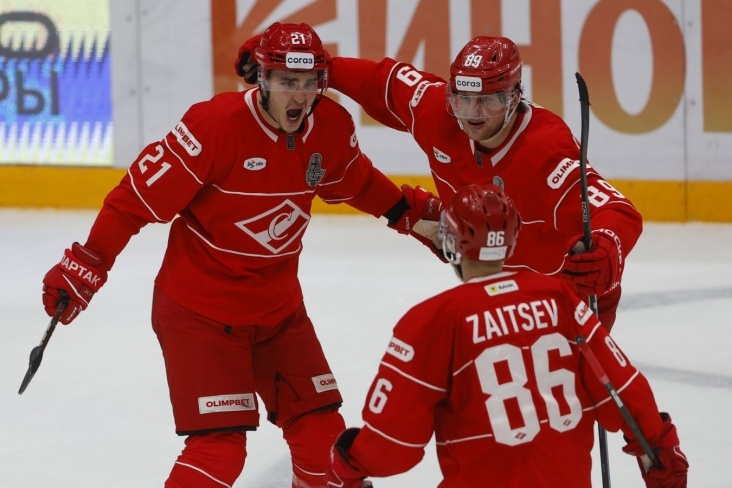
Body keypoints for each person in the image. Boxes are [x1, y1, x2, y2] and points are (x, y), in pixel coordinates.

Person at [40, 22, 442, 488]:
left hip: (279, 313)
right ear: (263, 79)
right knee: (219, 449)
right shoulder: (214, 126)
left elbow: (358, 181)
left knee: (323, 441)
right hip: (200, 313)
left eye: (309, 82)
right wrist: (89, 261)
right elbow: (134, 200)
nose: (300, 95)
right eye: (287, 82)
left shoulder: (331, 126)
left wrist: (409, 216)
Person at [235, 35, 643, 330]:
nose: (473, 113)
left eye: (489, 99)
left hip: (562, 292)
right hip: (491, 284)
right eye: (464, 99)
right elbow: (379, 81)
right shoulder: (436, 113)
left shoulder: (544, 148)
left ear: (514, 97)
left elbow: (617, 210)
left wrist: (608, 248)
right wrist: (300, 61)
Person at [324, 184, 688, 488]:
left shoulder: (433, 320)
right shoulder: (559, 298)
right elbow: (622, 388)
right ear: (512, 239)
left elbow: (394, 444)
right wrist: (659, 447)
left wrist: (350, 462)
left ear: (450, 240)